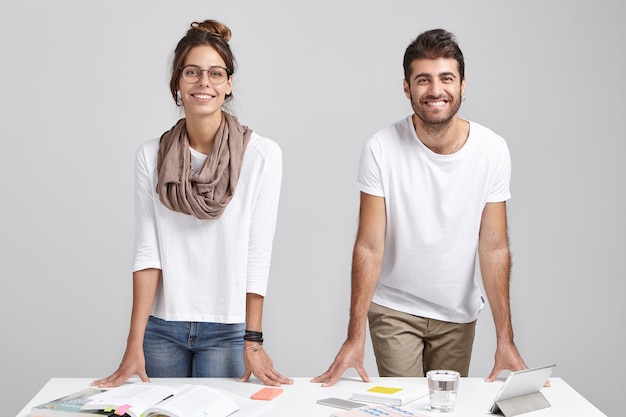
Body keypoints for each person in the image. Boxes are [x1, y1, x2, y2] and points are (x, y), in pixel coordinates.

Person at [313, 28, 528, 387]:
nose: (435, 90)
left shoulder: (492, 150)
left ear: (462, 85)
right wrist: (354, 336)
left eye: (446, 78)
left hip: (457, 316)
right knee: (405, 405)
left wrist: (505, 339)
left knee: (445, 409)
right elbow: (369, 245)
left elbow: (494, 248)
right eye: (423, 79)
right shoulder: (381, 147)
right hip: (394, 311)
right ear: (407, 87)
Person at [93, 19, 292, 387]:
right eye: (192, 72)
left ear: (229, 84)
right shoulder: (150, 155)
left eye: (216, 73)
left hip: (228, 330)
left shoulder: (262, 155)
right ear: (177, 83)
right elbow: (148, 251)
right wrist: (133, 342)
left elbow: (257, 252)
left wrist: (254, 339)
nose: (204, 83)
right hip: (162, 330)